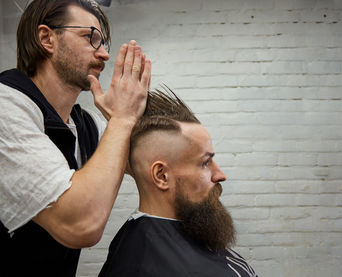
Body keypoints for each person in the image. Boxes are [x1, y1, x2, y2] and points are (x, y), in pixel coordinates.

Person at [0, 0, 151, 276]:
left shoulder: (86, 124)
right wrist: (121, 119)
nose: (104, 54)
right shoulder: (5, 105)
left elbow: (151, 164)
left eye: (104, 43)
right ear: (47, 38)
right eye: (91, 38)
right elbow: (81, 224)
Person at [99, 88, 258, 277]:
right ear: (162, 176)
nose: (220, 174)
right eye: (205, 163)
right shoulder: (142, 264)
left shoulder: (192, 229)